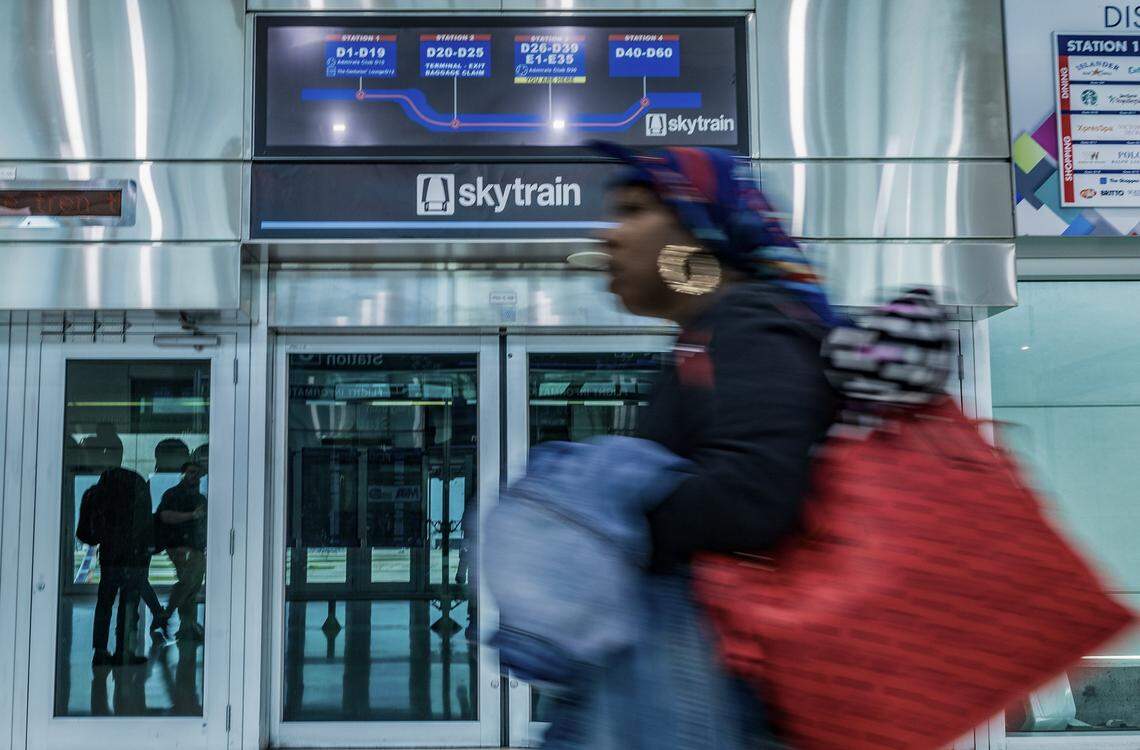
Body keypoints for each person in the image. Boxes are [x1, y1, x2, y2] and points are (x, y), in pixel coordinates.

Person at [590, 143, 837, 744]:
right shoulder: (706, 334)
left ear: (695, 233)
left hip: (723, 691)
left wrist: (603, 516)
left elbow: (749, 499)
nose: (609, 235)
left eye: (633, 210)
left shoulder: (750, 324)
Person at [84, 425, 161, 666]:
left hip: (109, 556)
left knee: (104, 603)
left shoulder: (96, 491)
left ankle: (100, 651)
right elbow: (146, 522)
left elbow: (88, 531)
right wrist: (147, 549)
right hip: (133, 557)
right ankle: (123, 651)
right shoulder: (135, 482)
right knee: (129, 605)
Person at [157, 461, 207, 641]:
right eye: (191, 472)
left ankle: (186, 624)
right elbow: (165, 516)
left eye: (198, 473)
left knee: (192, 586)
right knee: (188, 583)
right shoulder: (173, 494)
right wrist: (191, 516)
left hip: (197, 547)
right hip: (179, 547)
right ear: (183, 474)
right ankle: (171, 616)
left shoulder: (200, 498)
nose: (195, 476)